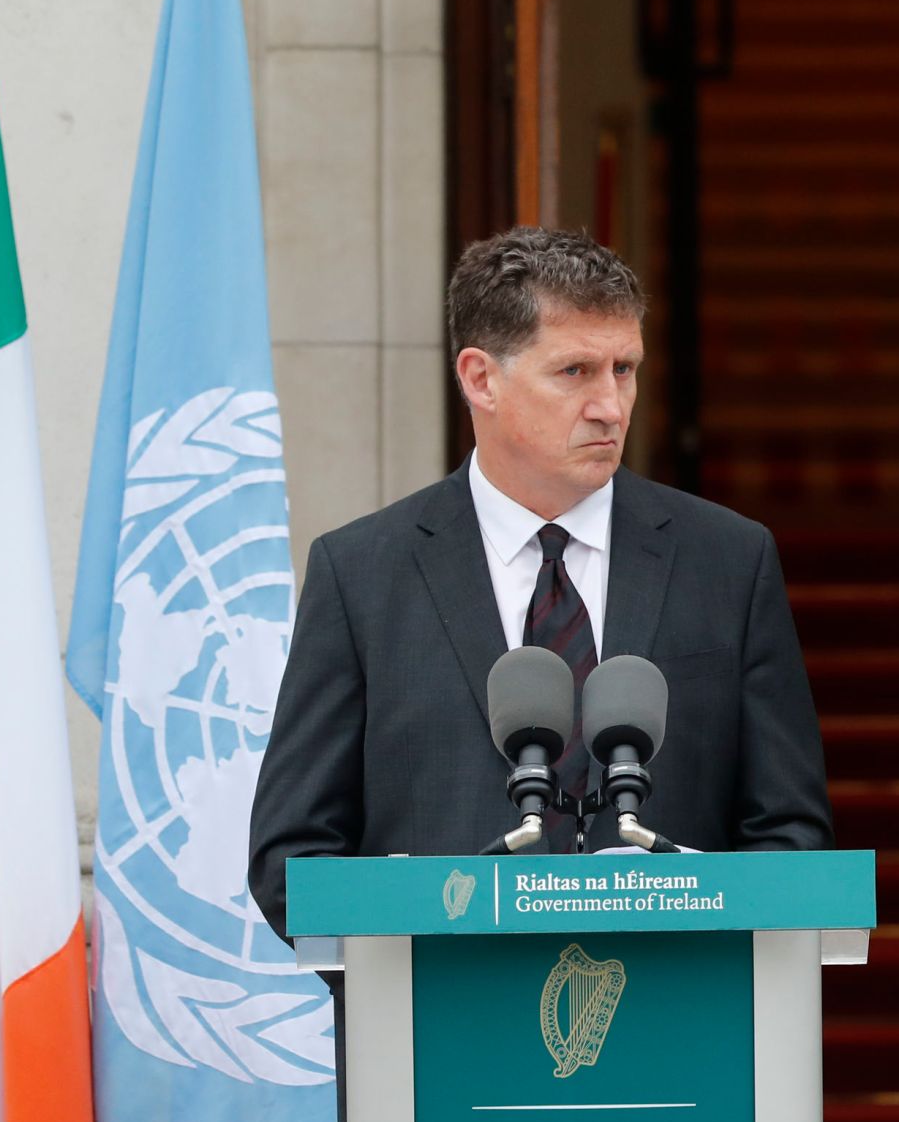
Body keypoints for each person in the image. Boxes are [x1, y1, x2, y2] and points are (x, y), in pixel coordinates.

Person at [247, 227, 831, 941]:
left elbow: (791, 835)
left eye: (624, 369)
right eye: (575, 372)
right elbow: (292, 859)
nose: (611, 407)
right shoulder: (363, 574)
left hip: (677, 1023)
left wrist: (697, 909)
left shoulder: (729, 562)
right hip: (443, 1031)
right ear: (480, 378)